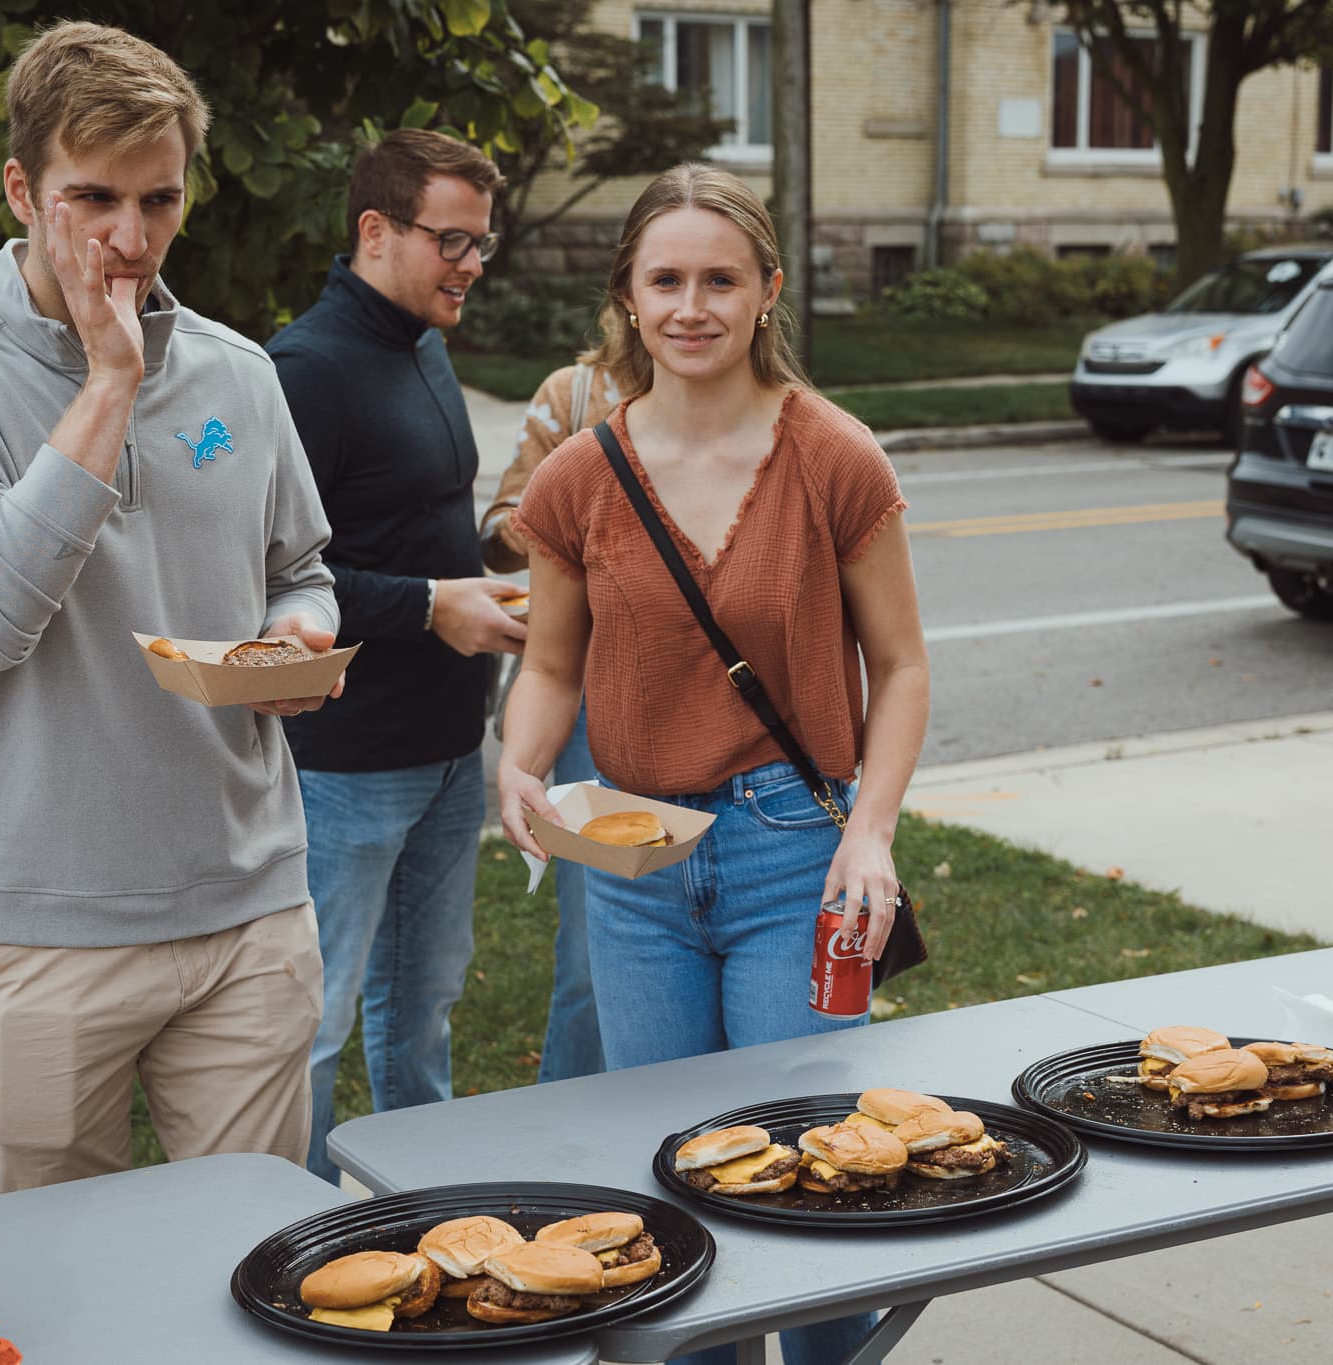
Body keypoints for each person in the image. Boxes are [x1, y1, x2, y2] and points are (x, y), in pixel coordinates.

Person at [0, 21, 339, 1194]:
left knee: (254, 1258)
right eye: (93, 198)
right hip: (36, 925)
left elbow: (302, 566)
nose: (130, 239)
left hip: (246, 909)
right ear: (22, 189)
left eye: (160, 200)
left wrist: (301, 633)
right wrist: (109, 380)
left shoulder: (238, 373)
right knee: (73, 1289)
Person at [497, 163, 930, 1365]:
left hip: (790, 849)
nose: (691, 306)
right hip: (627, 862)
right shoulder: (577, 476)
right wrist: (519, 765)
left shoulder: (833, 459)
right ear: (627, 300)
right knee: (672, 1183)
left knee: (804, 1167)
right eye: (665, 280)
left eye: (718, 280)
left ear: (765, 292)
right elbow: (546, 665)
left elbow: (896, 668)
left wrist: (870, 829)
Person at [268, 130, 523, 1182]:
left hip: (448, 753)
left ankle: (420, 1211)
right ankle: (283, 1228)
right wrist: (428, 607)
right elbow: (264, 573)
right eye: (450, 242)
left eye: (481, 244)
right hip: (346, 766)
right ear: (375, 232)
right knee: (313, 1026)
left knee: (421, 1012)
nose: (469, 265)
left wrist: (498, 562)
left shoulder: (421, 338)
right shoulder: (302, 369)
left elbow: (414, 523)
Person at [481, 353, 626, 1083]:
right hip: (593, 695)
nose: (689, 309)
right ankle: (570, 1131)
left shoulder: (763, 407)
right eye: (663, 281)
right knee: (592, 955)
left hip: (725, 715)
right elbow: (499, 526)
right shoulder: (576, 395)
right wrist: (573, 512)